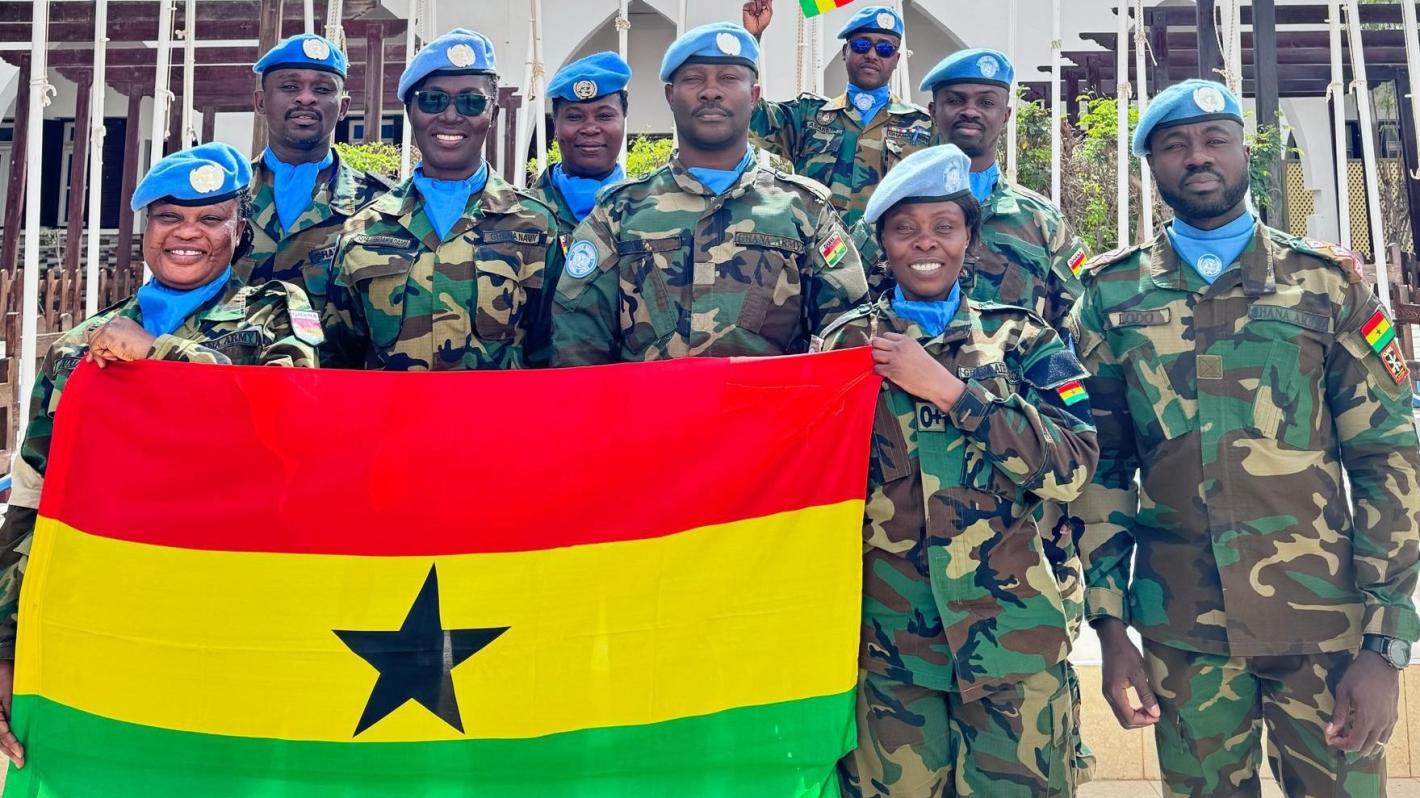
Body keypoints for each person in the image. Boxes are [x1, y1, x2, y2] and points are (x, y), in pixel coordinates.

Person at [1070, 79, 1420, 797]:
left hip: (1325, 628)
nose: (1197, 156)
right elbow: (1101, 469)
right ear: (1153, 165)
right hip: (1183, 632)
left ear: (1244, 152)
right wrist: (1108, 627)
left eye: (1214, 140)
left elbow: (1389, 457)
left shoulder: (1326, 286)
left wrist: (1385, 644)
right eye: (1175, 145)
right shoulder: (1112, 297)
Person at [0, 142, 323, 767]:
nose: (188, 233)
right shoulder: (76, 347)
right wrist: (3, 643)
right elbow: (34, 498)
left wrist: (161, 354)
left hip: (237, 606)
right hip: (108, 610)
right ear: (145, 228)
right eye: (169, 216)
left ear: (239, 229)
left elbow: (293, 423)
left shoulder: (278, 315)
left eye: (210, 218)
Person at [817, 144, 1097, 797]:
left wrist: (952, 392)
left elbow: (1073, 466)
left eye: (944, 226)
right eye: (905, 228)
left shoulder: (1024, 339)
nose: (926, 243)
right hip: (891, 652)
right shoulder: (844, 347)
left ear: (969, 238)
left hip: (1015, 641)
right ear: (883, 244)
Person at [550, 22, 867, 365]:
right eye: (693, 79)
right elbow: (576, 342)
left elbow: (849, 334)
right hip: (648, 402)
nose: (711, 92)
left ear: (754, 97)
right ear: (670, 96)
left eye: (728, 78)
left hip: (769, 402)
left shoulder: (805, 211)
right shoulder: (619, 213)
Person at [323, 29, 562, 370]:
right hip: (393, 409)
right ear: (410, 112)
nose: (450, 116)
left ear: (492, 114)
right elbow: (338, 362)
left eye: (471, 102)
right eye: (432, 100)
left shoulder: (535, 225)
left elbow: (553, 355)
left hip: (500, 408)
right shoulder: (364, 230)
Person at [918, 48, 1087, 332]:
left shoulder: (1043, 222)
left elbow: (1081, 324)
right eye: (955, 100)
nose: (970, 111)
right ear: (933, 111)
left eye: (986, 102)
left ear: (1006, 115)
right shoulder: (896, 214)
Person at [742, 1, 932, 227]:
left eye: (885, 49)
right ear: (845, 51)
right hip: (818, 246)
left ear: (896, 60)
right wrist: (750, 40)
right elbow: (746, 112)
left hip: (888, 248)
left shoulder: (923, 126)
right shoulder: (807, 115)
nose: (872, 54)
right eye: (861, 45)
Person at [241, 32, 391, 317]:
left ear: (343, 107)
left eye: (322, 89)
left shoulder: (380, 205)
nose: (306, 98)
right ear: (260, 102)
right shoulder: (226, 197)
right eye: (289, 86)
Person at [529, 51, 633, 241]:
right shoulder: (519, 214)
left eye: (605, 116)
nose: (590, 129)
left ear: (623, 120)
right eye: (575, 117)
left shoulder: (649, 213)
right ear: (555, 123)